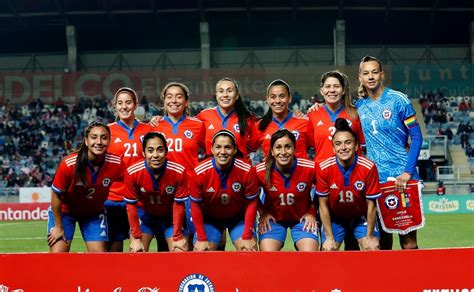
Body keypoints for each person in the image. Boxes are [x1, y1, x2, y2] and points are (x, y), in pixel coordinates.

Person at [356, 55, 423, 250]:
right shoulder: (359, 106)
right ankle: (389, 281)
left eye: (374, 72)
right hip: (376, 180)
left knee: (408, 241)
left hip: (402, 177)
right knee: (384, 242)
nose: (371, 77)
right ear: (360, 77)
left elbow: (417, 137)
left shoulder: (398, 100)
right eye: (366, 73)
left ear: (382, 75)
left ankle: (413, 281)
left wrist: (407, 172)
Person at [47, 121, 124, 252]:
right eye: (94, 137)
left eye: (104, 137)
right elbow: (56, 195)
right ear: (86, 141)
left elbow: (133, 181)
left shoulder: (116, 163)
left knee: (98, 258)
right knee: (58, 257)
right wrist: (58, 226)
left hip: (93, 213)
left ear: (109, 141)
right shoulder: (70, 164)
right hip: (65, 212)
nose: (99, 142)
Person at [316, 118, 381, 251]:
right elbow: (323, 205)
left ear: (356, 146)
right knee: (328, 249)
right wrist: (329, 237)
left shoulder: (368, 167)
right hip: (335, 218)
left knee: (372, 247)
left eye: (348, 143)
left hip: (360, 218)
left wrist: (369, 236)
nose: (343, 147)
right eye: (338, 144)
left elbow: (371, 205)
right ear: (333, 148)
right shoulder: (324, 168)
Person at [189, 130, 259, 251]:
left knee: (248, 249)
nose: (222, 152)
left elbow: (252, 203)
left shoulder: (247, 170)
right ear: (211, 149)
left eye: (227, 147)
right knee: (203, 251)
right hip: (211, 219)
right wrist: (201, 238)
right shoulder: (200, 172)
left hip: (237, 218)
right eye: (218, 147)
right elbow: (195, 205)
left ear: (235, 150)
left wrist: (247, 236)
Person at [106, 87, 153, 252]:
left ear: (135, 105)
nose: (124, 107)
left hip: (139, 199)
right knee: (114, 249)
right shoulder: (107, 131)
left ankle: (141, 279)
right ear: (115, 106)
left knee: (138, 247)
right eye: (120, 103)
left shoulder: (149, 130)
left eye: (128, 102)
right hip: (112, 198)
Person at [124, 132, 189, 252]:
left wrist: (177, 235)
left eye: (160, 150)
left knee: (179, 250)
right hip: (145, 219)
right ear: (143, 153)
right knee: (137, 251)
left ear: (166, 151)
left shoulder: (178, 172)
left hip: (170, 220)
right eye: (150, 150)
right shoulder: (132, 172)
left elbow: (178, 206)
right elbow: (131, 206)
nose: (155, 155)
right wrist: (137, 238)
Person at [256, 129, 318, 251]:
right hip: (273, 219)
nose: (283, 152)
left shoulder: (310, 168)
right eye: (278, 147)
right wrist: (263, 211)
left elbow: (323, 192)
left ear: (295, 149)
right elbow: (248, 194)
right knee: (267, 257)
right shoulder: (260, 171)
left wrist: (312, 211)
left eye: (288, 147)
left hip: (303, 219)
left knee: (310, 256)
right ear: (272, 151)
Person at [308, 70, 365, 162]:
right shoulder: (313, 114)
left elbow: (362, 145)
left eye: (336, 86)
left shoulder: (355, 114)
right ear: (321, 91)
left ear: (343, 90)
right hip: (323, 173)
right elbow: (310, 146)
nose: (332, 90)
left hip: (352, 173)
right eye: (328, 86)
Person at [196, 77, 259, 158]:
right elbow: (198, 142)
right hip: (212, 167)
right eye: (221, 91)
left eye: (229, 91)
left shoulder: (249, 118)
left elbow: (253, 146)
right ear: (216, 95)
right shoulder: (203, 116)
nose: (225, 95)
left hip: (240, 168)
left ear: (237, 96)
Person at [256, 79, 314, 159]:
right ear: (268, 99)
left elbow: (319, 147)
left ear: (289, 98)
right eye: (273, 97)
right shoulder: (259, 125)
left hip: (300, 171)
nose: (277, 101)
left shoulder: (304, 122)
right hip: (270, 171)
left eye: (282, 96)